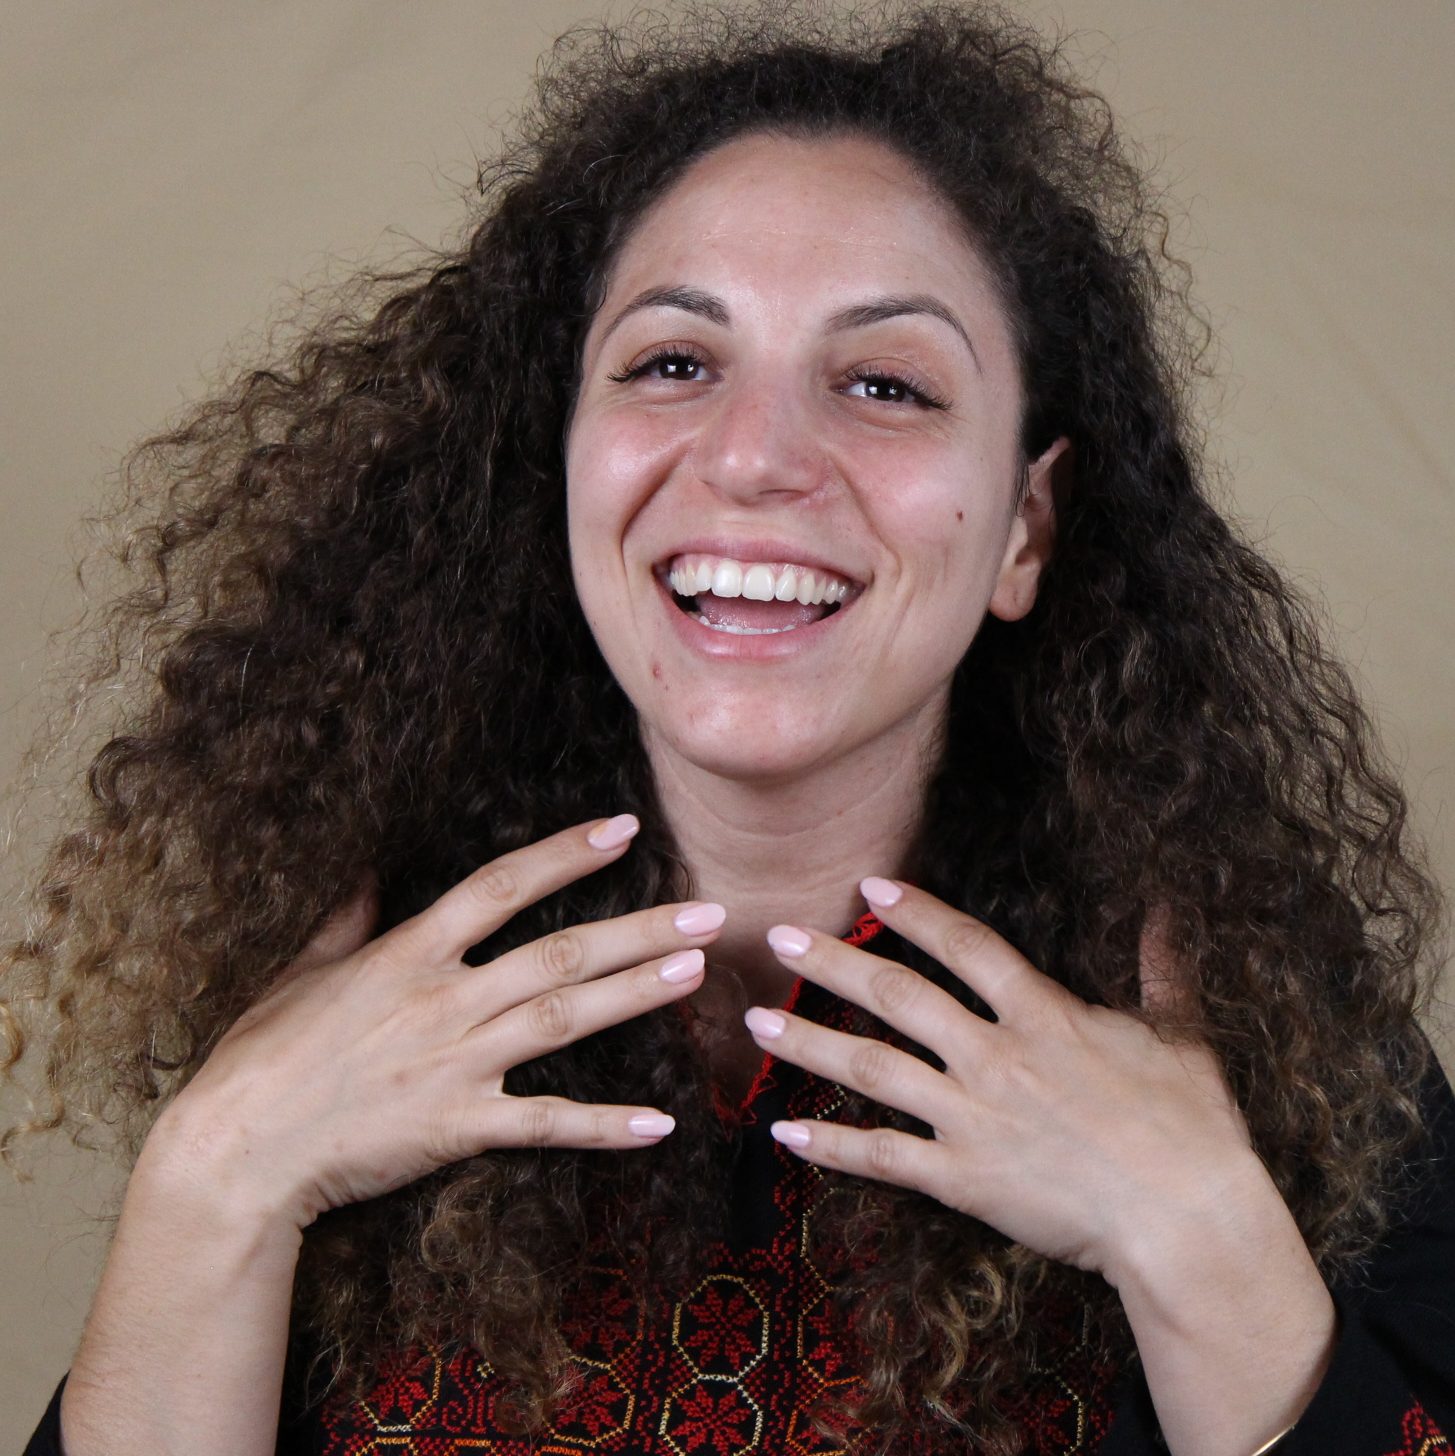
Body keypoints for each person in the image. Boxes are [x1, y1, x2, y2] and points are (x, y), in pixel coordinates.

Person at [6, 4, 1453, 1453]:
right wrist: (215, 1179)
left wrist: (1202, 1238)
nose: (757, 457)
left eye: (885, 384)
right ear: (560, 469)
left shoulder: (1274, 1040)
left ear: (1025, 526)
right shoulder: (340, 969)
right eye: (673, 364)